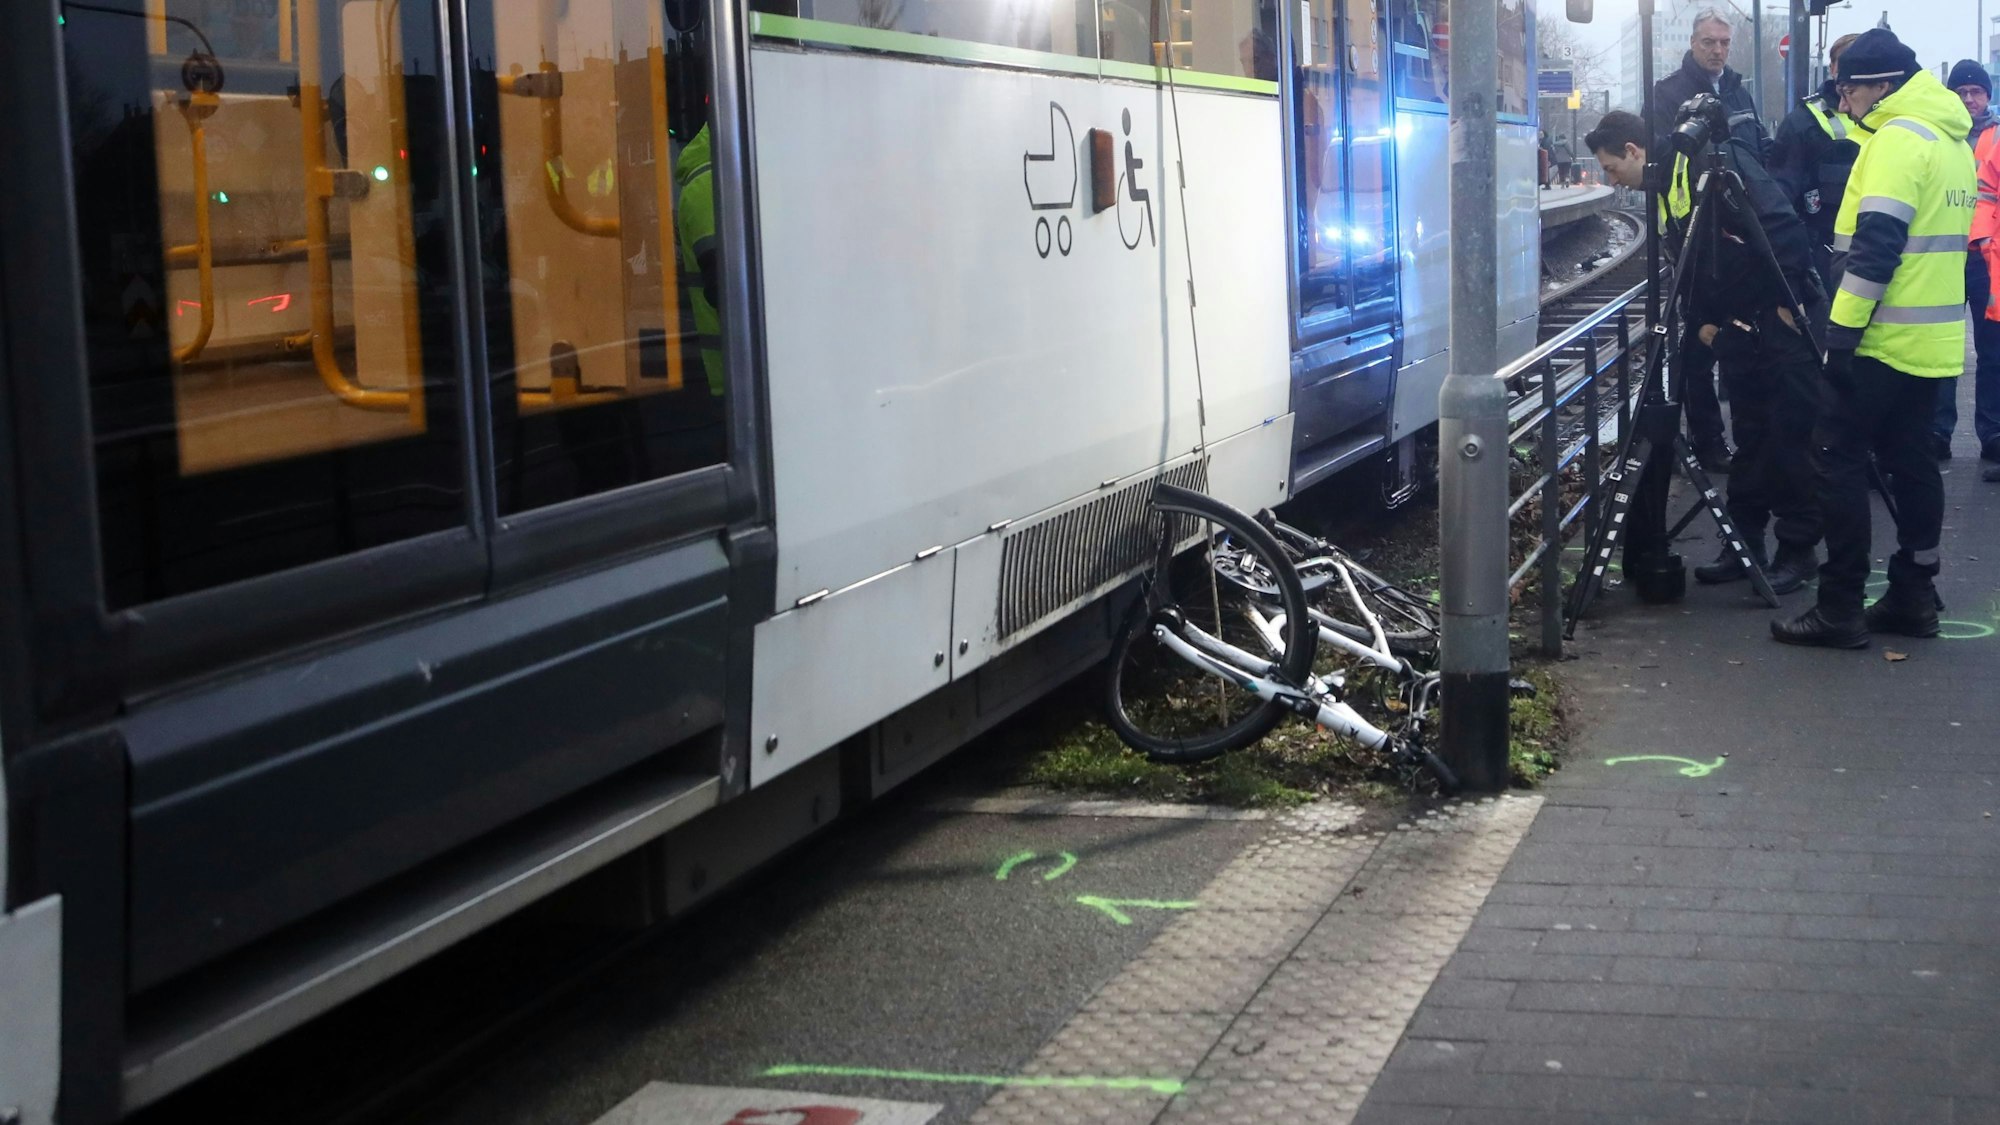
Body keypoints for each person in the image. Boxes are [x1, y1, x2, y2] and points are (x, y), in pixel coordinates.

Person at [1773, 29, 1977, 649]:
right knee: (1913, 463)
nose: (1844, 102)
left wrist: (1841, 334)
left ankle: (1839, 605)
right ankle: (1914, 594)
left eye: (1849, 89)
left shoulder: (1896, 140)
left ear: (1880, 86)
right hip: (1935, 341)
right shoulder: (1951, 141)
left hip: (1880, 340)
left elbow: (1875, 250)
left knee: (1836, 460)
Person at [1586, 109, 1825, 595]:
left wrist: (1787, 301)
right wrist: (1708, 325)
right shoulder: (1672, 181)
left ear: (1633, 151)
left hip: (1776, 321)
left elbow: (1783, 226)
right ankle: (1744, 545)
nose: (1614, 181)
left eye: (1612, 169)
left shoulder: (1710, 165)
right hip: (1739, 326)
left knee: (1788, 441)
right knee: (1752, 437)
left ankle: (1798, 553)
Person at [1649, 8, 1775, 475]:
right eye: (1709, 42)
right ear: (1693, 42)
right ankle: (1707, 440)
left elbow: (1758, 152)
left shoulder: (1740, 91)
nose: (1718, 50)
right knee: (1698, 344)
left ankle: (1748, 435)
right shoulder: (1667, 94)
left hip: (1743, 232)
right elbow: (1662, 163)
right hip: (1696, 237)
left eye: (1724, 42)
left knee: (1742, 333)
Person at [1933, 60, 2000, 464]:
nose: (1970, 99)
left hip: (1987, 259)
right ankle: (1937, 432)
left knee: (1993, 351)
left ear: (1988, 96)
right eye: (1961, 92)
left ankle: (1992, 433)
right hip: (1943, 254)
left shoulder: (1997, 139)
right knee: (1941, 349)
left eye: (1976, 92)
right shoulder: (1939, 138)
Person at [1770, 33, 1862, 303]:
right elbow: (1780, 198)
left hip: (1874, 250)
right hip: (1822, 256)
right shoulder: (1803, 121)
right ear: (1832, 68)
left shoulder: (1892, 120)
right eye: (1844, 64)